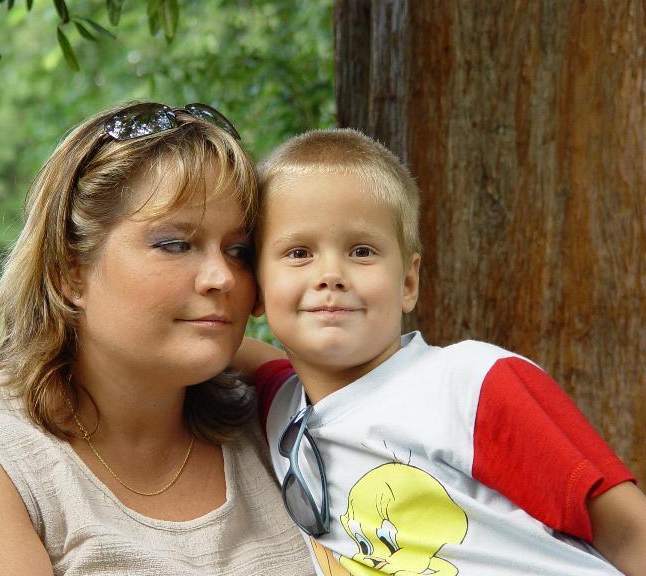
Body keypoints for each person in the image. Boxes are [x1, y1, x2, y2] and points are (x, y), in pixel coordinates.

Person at [0, 102, 315, 575]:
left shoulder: (275, 422)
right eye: (175, 244)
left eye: (239, 250)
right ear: (70, 273)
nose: (222, 277)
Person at [237, 128, 646, 575]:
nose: (331, 274)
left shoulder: (471, 384)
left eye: (362, 251)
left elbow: (628, 530)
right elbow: (237, 351)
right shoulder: (282, 411)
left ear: (408, 282)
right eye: (299, 253)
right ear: (256, 288)